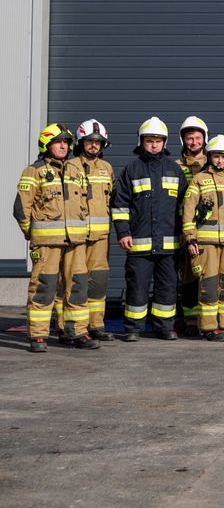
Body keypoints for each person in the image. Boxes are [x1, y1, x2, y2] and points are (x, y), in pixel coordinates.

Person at [14, 123, 98, 352]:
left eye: (65, 142)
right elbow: (22, 208)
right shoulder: (34, 171)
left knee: (77, 288)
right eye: (57, 142)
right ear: (46, 145)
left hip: (75, 242)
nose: (62, 146)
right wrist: (32, 234)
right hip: (46, 244)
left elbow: (85, 205)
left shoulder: (75, 170)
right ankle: (39, 336)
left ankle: (77, 332)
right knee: (44, 288)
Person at [112, 117, 188, 342]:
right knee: (137, 287)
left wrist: (186, 231)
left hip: (169, 244)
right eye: (149, 140)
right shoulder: (131, 170)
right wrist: (123, 232)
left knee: (167, 288)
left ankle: (164, 328)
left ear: (165, 143)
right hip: (139, 243)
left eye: (158, 140)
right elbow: (120, 205)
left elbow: (185, 205)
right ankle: (133, 328)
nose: (154, 145)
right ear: (141, 141)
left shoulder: (175, 170)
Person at [182, 135, 224, 342]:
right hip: (206, 243)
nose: (220, 161)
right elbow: (188, 211)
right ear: (209, 157)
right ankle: (208, 328)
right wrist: (190, 238)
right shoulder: (199, 179)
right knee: (208, 285)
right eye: (216, 156)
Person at [73, 119, 115, 342]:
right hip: (76, 237)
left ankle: (96, 324)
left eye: (98, 142)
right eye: (90, 141)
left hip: (100, 238)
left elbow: (113, 201)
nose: (94, 146)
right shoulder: (70, 167)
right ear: (81, 142)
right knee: (74, 282)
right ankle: (68, 327)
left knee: (98, 282)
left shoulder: (107, 169)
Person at [175, 115, 209, 336]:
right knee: (186, 277)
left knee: (207, 276)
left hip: (208, 231)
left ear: (205, 140)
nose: (194, 142)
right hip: (181, 231)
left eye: (198, 138)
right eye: (190, 138)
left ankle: (206, 318)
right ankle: (189, 319)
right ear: (183, 141)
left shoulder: (214, 162)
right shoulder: (174, 166)